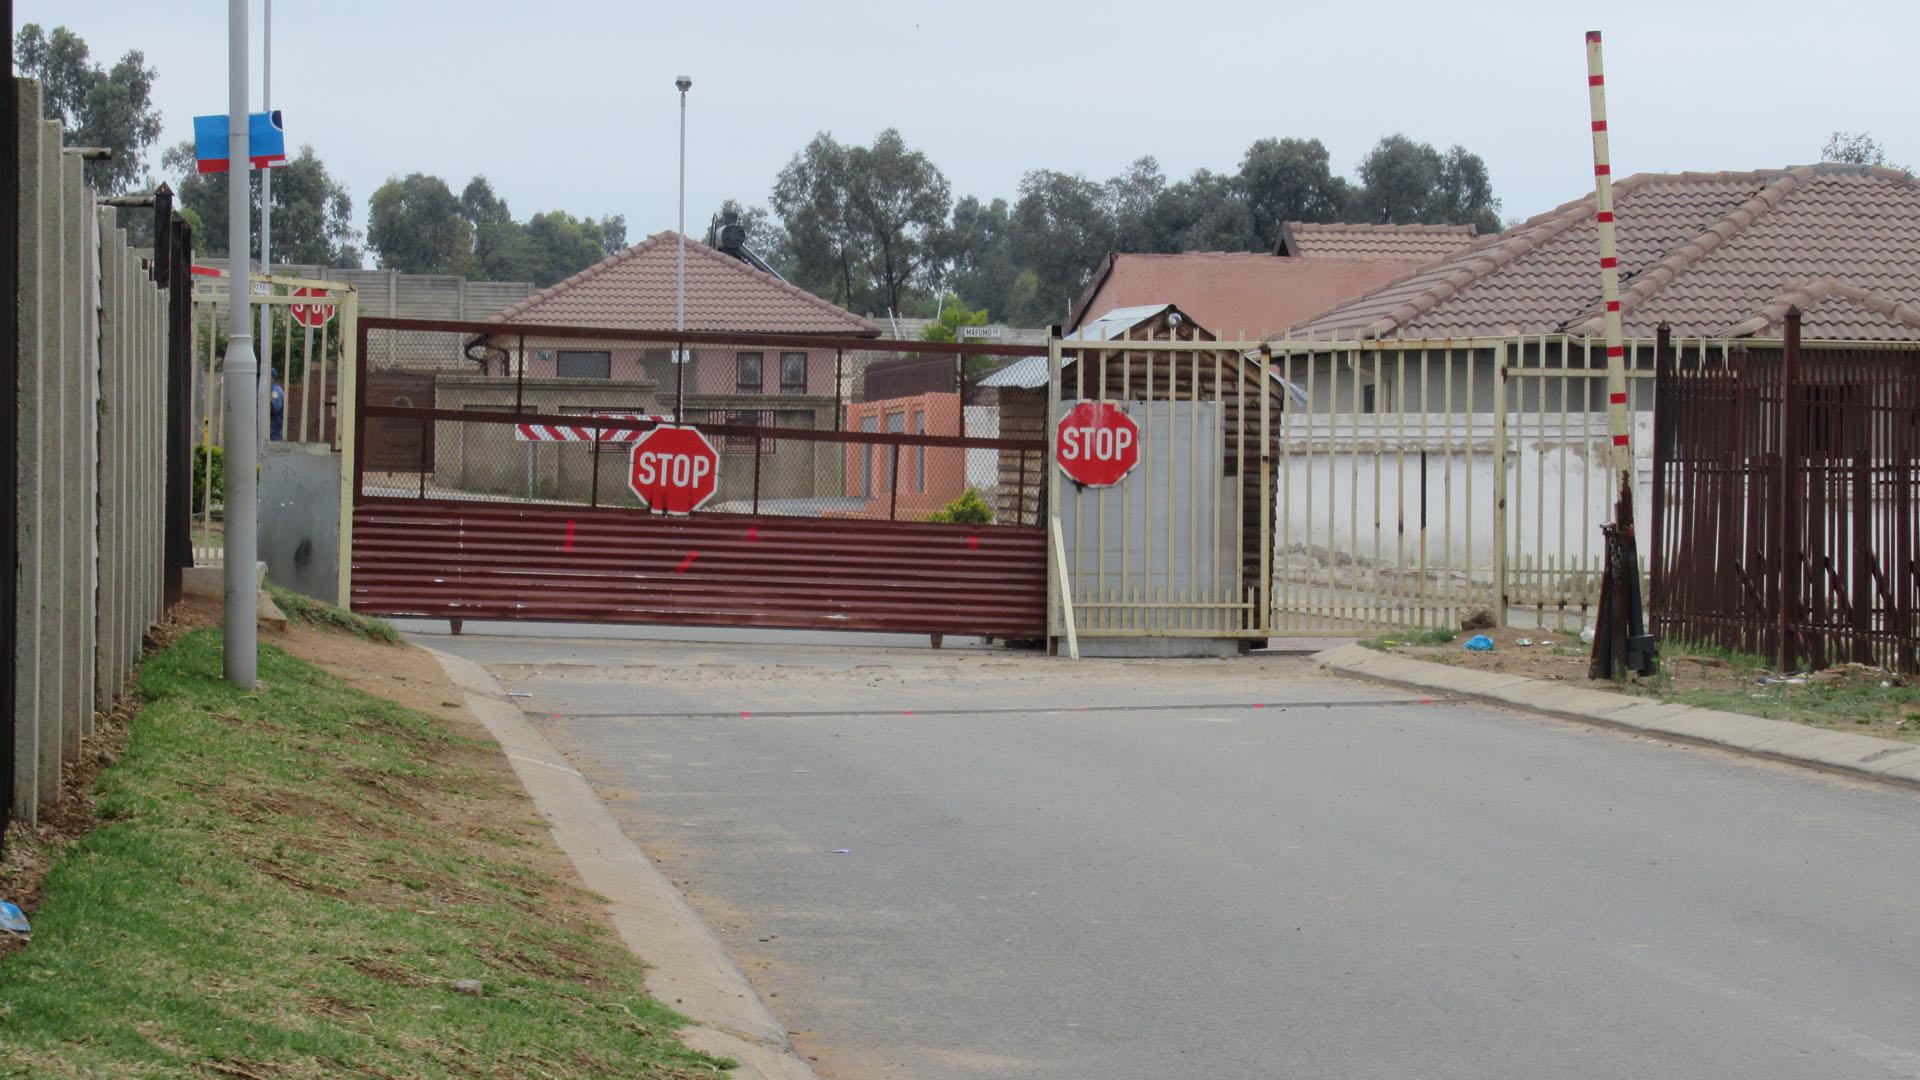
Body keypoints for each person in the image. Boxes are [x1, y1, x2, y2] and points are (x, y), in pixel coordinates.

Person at [269, 374, 285, 441]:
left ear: (272, 378)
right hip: (270, 431)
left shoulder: (276, 390)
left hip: (273, 432)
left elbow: (273, 408)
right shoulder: (270, 389)